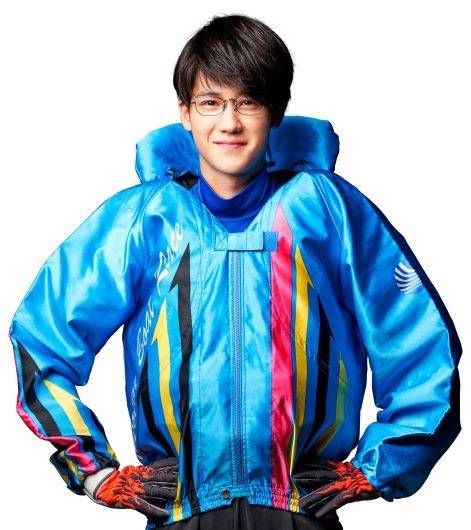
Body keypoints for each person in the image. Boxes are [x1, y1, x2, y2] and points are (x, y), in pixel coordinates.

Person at [8, 13, 461, 530]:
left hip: (300, 509)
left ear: (277, 111)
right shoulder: (143, 220)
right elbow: (41, 336)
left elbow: (419, 339)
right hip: (182, 509)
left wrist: (381, 467)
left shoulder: (328, 210)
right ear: (185, 112)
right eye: (210, 103)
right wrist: (93, 472)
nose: (229, 123)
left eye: (248, 102)